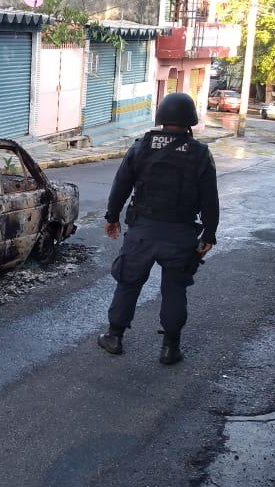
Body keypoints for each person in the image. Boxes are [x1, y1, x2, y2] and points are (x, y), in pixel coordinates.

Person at [97, 93, 219, 365]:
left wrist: (112, 217)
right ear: (190, 121)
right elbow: (210, 198)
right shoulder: (199, 153)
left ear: (161, 117)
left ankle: (114, 337)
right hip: (180, 234)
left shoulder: (142, 146)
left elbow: (121, 184)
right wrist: (209, 234)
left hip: (143, 231)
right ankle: (169, 348)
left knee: (128, 284)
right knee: (175, 289)